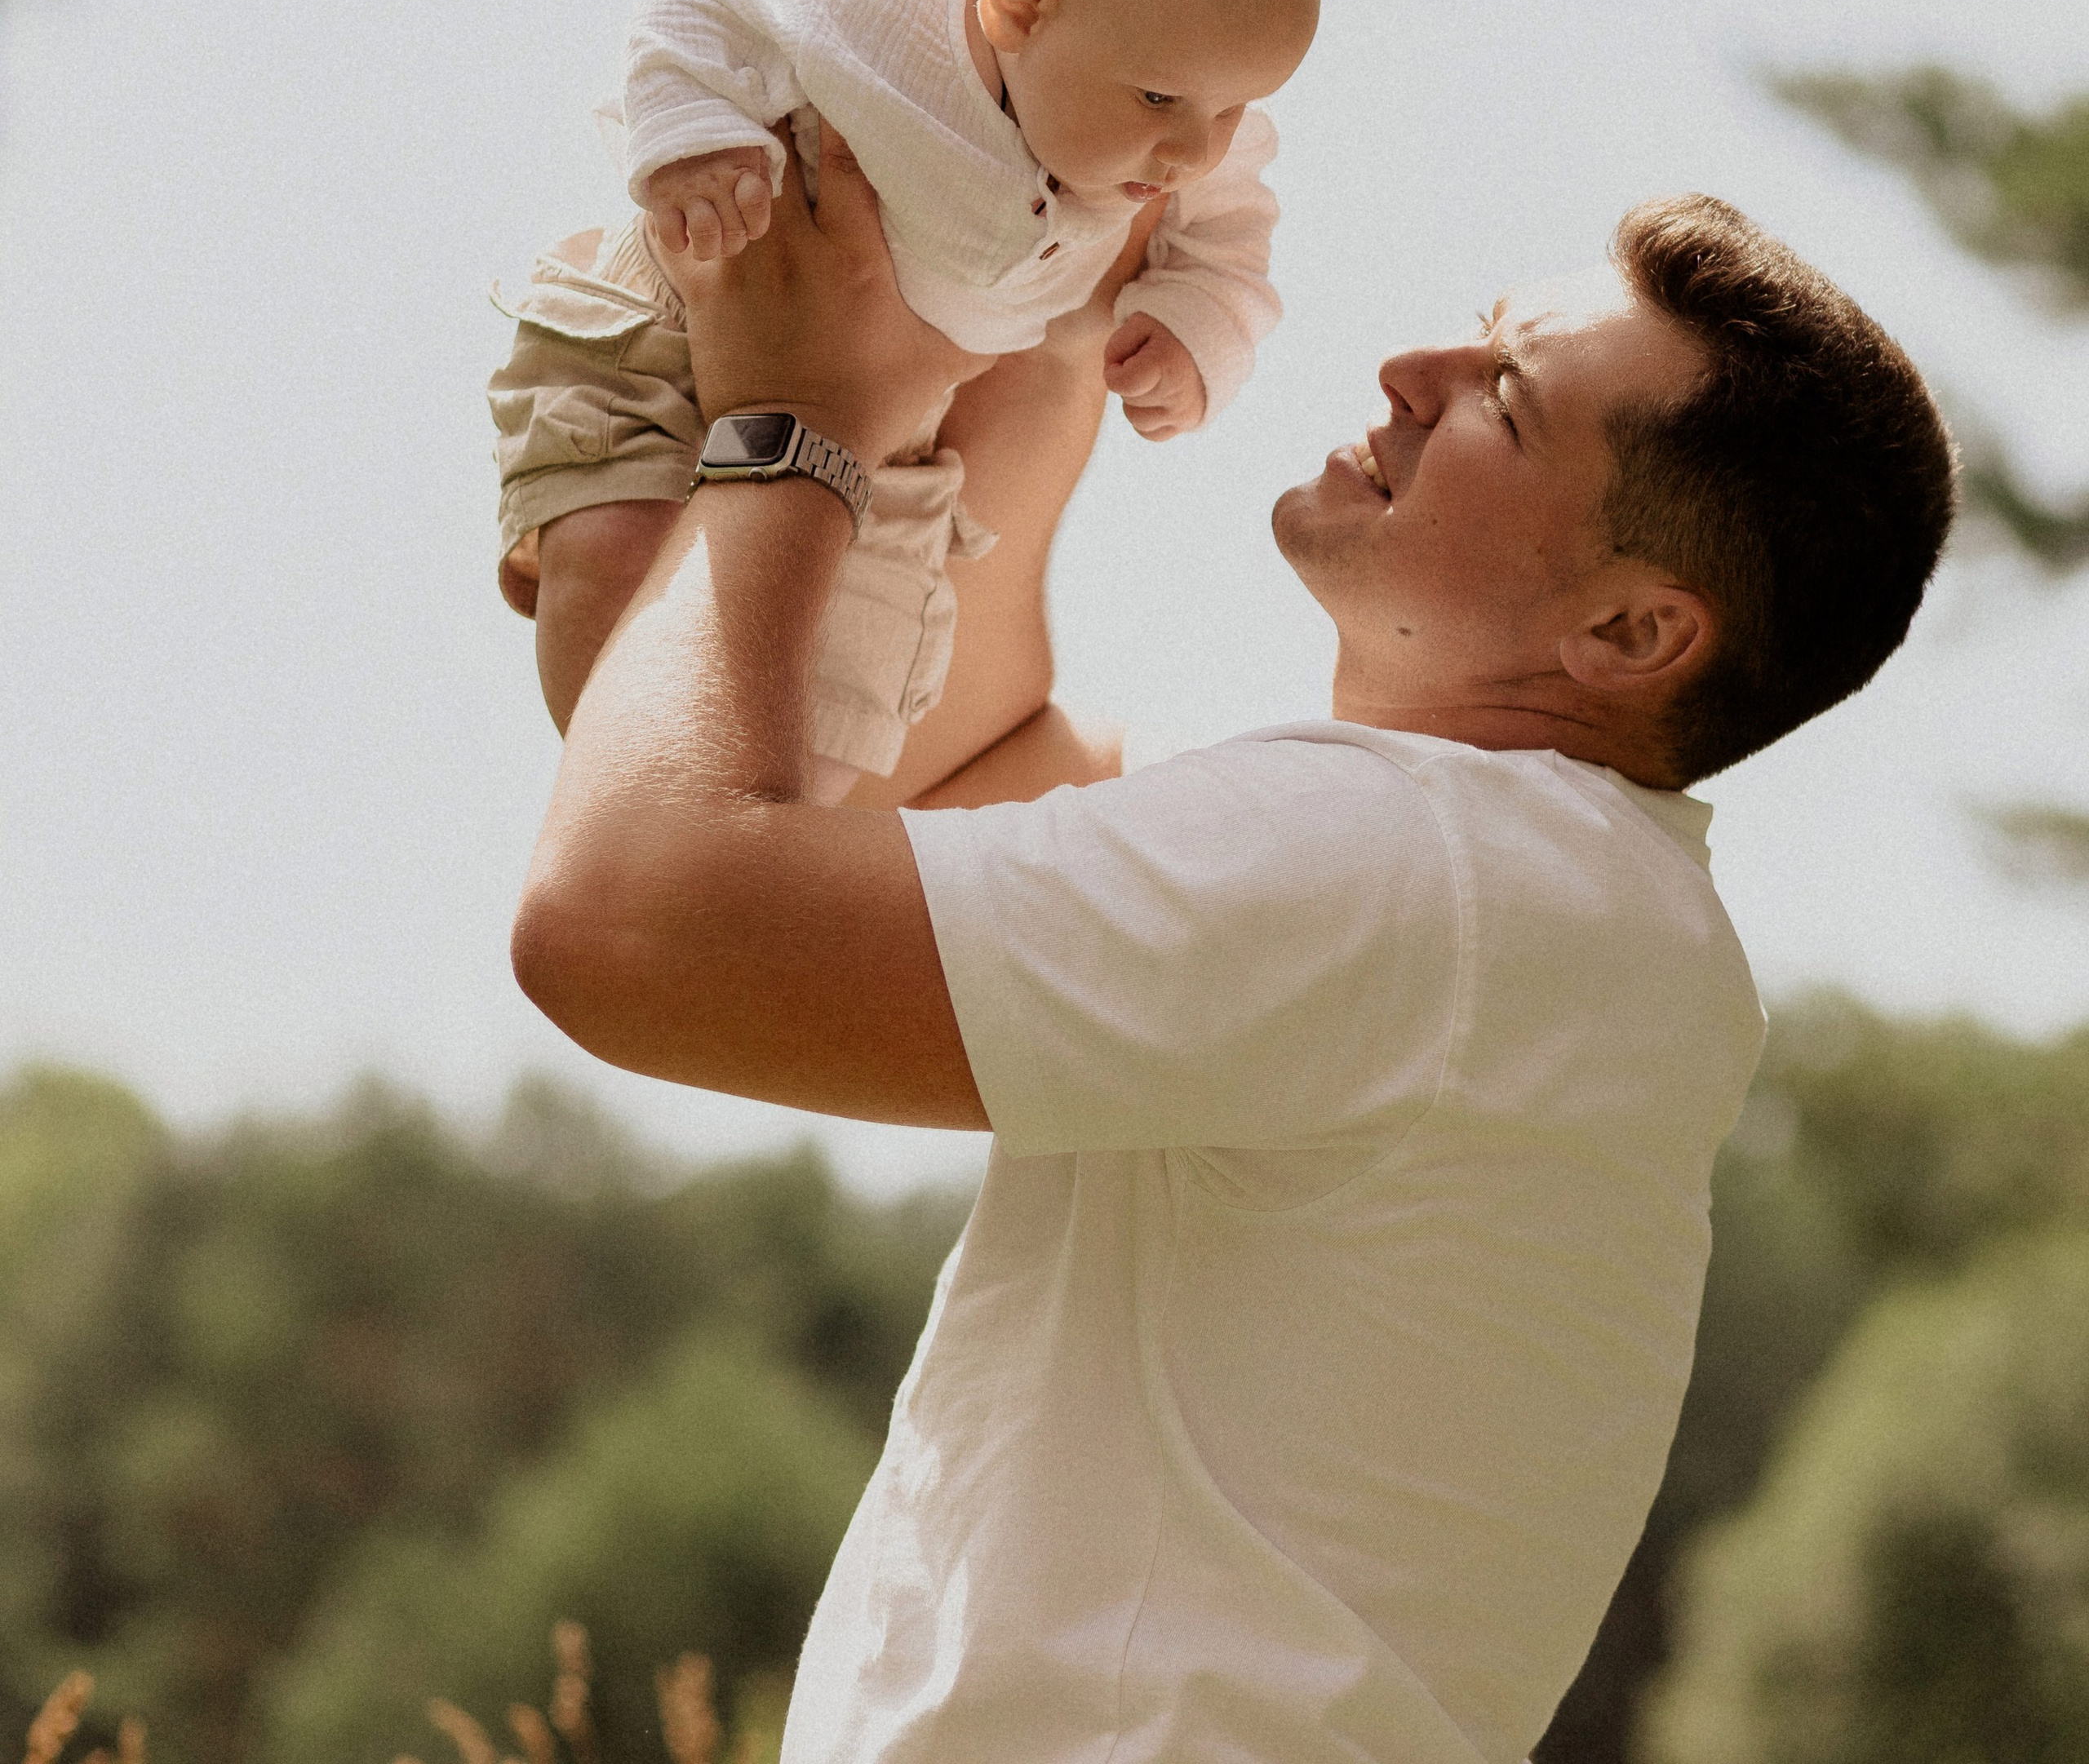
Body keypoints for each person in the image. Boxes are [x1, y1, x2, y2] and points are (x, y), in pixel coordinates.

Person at [511, 133, 1957, 1764]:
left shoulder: (1427, 876)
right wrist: (1046, 356)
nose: (1412, 370)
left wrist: (796, 431)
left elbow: (624, 927)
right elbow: (955, 769)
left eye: (1505, 396)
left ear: (1627, 635)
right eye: (1475, 334)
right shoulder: (1537, 902)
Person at [488, 0, 1323, 790]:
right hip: (685, 310)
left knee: (839, 729)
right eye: (1162, 101)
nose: (1198, 151)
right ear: (1020, 7)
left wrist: (1199, 331)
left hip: (895, 439)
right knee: (621, 593)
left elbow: (1235, 242)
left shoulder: (1180, 126)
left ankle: (740, 860)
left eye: (1237, 106)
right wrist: (693, 139)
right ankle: (635, 800)